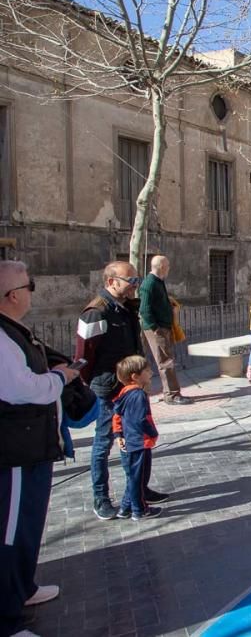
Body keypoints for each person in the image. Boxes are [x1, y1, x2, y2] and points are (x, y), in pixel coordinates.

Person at [1, 260, 79, 634]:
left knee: (29, 524)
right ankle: (6, 618)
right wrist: (59, 378)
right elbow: (23, 390)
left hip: (33, 446)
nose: (33, 289)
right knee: (10, 530)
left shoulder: (15, 331)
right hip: (13, 452)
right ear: (13, 295)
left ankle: (22, 588)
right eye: (29, 284)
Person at [75, 261, 166, 521]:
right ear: (111, 282)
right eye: (131, 281)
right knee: (103, 443)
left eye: (136, 281)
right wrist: (96, 382)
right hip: (108, 389)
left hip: (131, 388)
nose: (135, 286)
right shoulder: (96, 312)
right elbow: (83, 355)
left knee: (135, 443)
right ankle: (101, 498)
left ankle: (138, 492)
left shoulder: (126, 308)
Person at [111, 355, 162, 521]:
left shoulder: (124, 394)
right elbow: (141, 419)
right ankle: (140, 509)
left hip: (130, 440)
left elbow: (117, 416)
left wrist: (118, 434)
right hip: (139, 441)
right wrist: (153, 433)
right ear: (135, 376)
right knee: (138, 479)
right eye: (147, 370)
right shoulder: (139, 394)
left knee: (133, 476)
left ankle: (125, 508)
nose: (151, 372)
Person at [138, 256, 192, 405]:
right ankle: (172, 395)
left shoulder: (159, 282)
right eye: (167, 265)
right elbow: (144, 309)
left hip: (164, 326)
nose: (169, 268)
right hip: (157, 328)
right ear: (161, 266)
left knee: (167, 359)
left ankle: (170, 392)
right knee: (166, 361)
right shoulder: (149, 283)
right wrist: (156, 329)